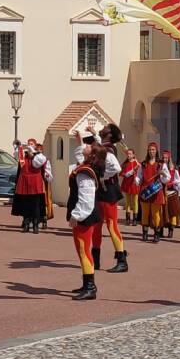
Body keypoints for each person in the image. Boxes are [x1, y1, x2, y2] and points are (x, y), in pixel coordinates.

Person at [74, 124, 127, 272]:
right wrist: (91, 135)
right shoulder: (103, 145)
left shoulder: (108, 149)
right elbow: (98, 145)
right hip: (101, 191)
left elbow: (116, 168)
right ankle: (95, 260)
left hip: (108, 190)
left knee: (111, 225)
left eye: (106, 127)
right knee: (97, 226)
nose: (102, 128)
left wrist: (101, 177)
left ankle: (122, 260)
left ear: (109, 134)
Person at [67, 143, 108, 300]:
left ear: (92, 155)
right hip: (86, 214)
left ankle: (90, 287)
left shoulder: (85, 172)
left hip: (85, 216)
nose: (86, 146)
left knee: (84, 251)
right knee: (81, 251)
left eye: (89, 146)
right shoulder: (86, 166)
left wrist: (76, 215)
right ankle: (87, 283)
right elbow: (78, 152)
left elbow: (86, 198)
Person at [136, 142, 171, 243]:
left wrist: (163, 173)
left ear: (156, 151)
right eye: (150, 150)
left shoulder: (161, 164)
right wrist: (137, 181)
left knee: (156, 214)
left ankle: (156, 234)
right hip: (145, 191)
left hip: (156, 191)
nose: (151, 151)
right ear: (148, 151)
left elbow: (167, 178)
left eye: (153, 150)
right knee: (145, 214)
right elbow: (139, 176)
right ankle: (145, 234)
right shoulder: (143, 164)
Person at [11, 140, 47, 234]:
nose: (29, 145)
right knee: (26, 205)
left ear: (35, 146)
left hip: (35, 181)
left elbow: (38, 163)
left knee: (35, 205)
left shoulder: (38, 156)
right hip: (25, 181)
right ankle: (26, 224)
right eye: (28, 143)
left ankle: (35, 225)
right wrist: (18, 147)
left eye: (31, 144)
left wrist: (32, 151)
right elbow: (15, 156)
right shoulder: (23, 155)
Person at [161, 150, 180, 239]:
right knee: (162, 213)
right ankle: (160, 230)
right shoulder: (159, 168)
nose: (164, 160)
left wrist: (175, 183)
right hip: (162, 192)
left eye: (166, 158)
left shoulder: (174, 170)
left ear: (169, 159)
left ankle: (171, 230)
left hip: (171, 193)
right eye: (163, 158)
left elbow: (179, 182)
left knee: (172, 213)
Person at [119, 148, 141, 226]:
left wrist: (138, 166)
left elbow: (140, 173)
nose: (129, 155)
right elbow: (125, 174)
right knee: (128, 202)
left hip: (134, 184)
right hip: (127, 184)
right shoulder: (125, 164)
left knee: (135, 202)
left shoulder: (137, 163)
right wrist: (133, 170)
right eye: (128, 154)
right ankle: (128, 219)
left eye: (130, 154)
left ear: (133, 155)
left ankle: (135, 219)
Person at [40, 143, 54, 229]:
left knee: (44, 201)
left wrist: (47, 175)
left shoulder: (45, 161)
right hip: (34, 184)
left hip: (43, 184)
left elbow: (48, 173)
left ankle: (44, 220)